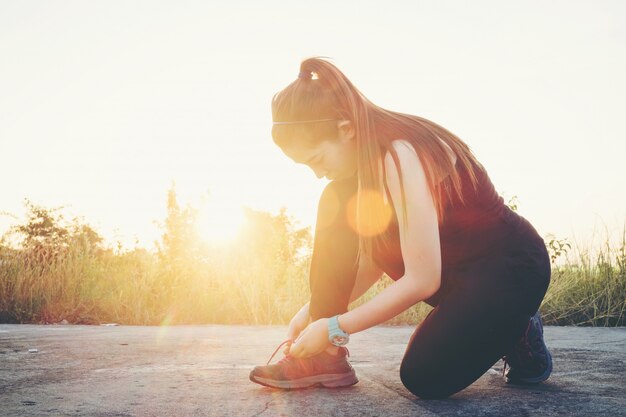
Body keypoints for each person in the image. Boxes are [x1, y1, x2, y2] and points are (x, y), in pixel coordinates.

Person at [249, 57, 552, 399]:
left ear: (345, 129)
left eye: (317, 159)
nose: (317, 172)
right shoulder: (361, 175)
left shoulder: (401, 154)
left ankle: (519, 328)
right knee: (334, 196)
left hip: (509, 269)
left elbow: (422, 279)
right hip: (454, 277)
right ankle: (324, 362)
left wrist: (334, 328)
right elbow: (374, 260)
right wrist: (314, 313)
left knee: (423, 377)